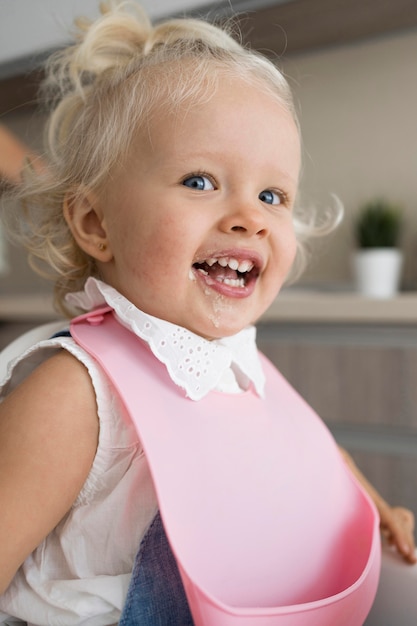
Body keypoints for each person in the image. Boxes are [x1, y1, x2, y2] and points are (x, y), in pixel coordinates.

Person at [0, 2, 414, 624]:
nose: (248, 215)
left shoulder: (239, 367)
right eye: (200, 181)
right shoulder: (76, 393)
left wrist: (375, 505)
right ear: (95, 223)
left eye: (272, 194)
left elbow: (314, 455)